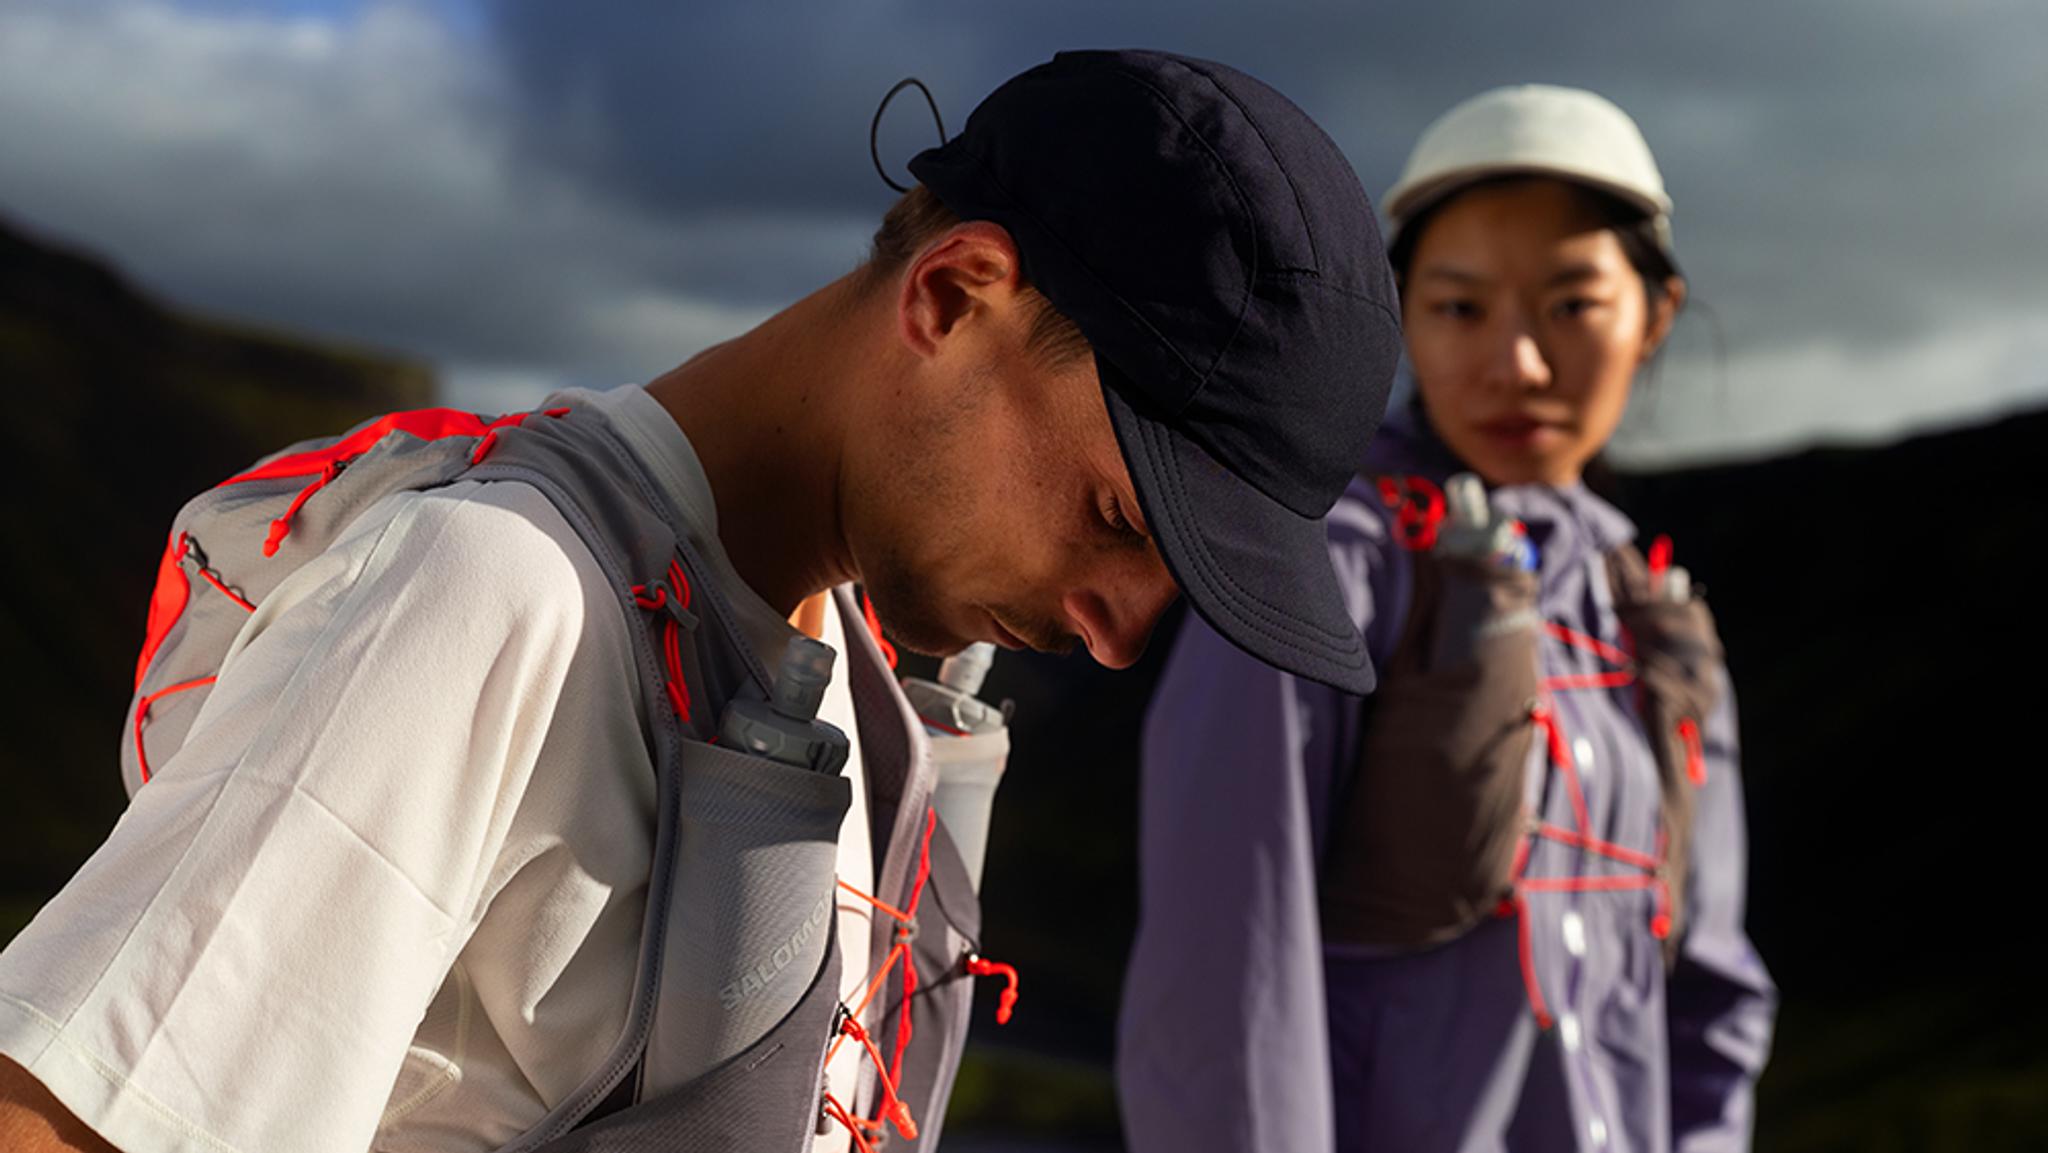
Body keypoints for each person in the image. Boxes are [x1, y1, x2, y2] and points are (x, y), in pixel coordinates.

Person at [0, 50, 1402, 1153]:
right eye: (1117, 519)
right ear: (956, 296)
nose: (1118, 631)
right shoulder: (491, 597)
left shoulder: (852, 691)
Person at [1119, 85, 1776, 1153]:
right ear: (1400, 313)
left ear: (1653, 316)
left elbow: (1710, 994)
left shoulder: (1650, 616)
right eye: (1460, 307)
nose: (1515, 361)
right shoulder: (1325, 572)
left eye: (1570, 305)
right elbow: (1220, 981)